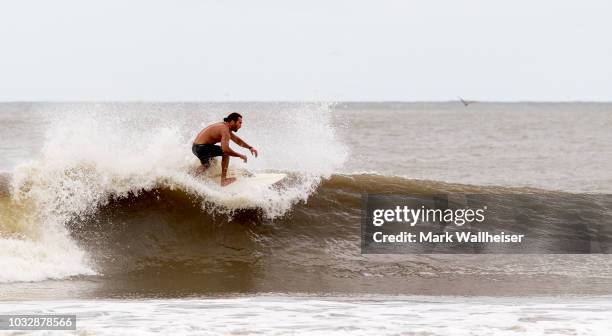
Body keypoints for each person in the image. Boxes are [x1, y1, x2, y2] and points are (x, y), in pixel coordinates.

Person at [192, 112, 258, 186]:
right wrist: (240, 155)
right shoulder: (225, 130)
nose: (240, 126)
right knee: (225, 153)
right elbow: (225, 150)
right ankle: (223, 180)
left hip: (196, 148)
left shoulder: (224, 126)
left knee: (208, 164)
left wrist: (250, 147)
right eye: (239, 123)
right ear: (232, 122)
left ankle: (191, 177)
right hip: (202, 147)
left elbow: (236, 140)